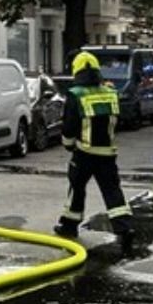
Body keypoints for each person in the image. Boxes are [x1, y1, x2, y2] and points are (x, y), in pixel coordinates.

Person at [55, 51, 135, 250]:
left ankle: (69, 226)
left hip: (84, 153)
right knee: (112, 191)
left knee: (77, 188)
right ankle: (124, 229)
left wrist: (68, 144)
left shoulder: (76, 95)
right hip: (107, 154)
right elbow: (118, 120)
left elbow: (69, 126)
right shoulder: (110, 92)